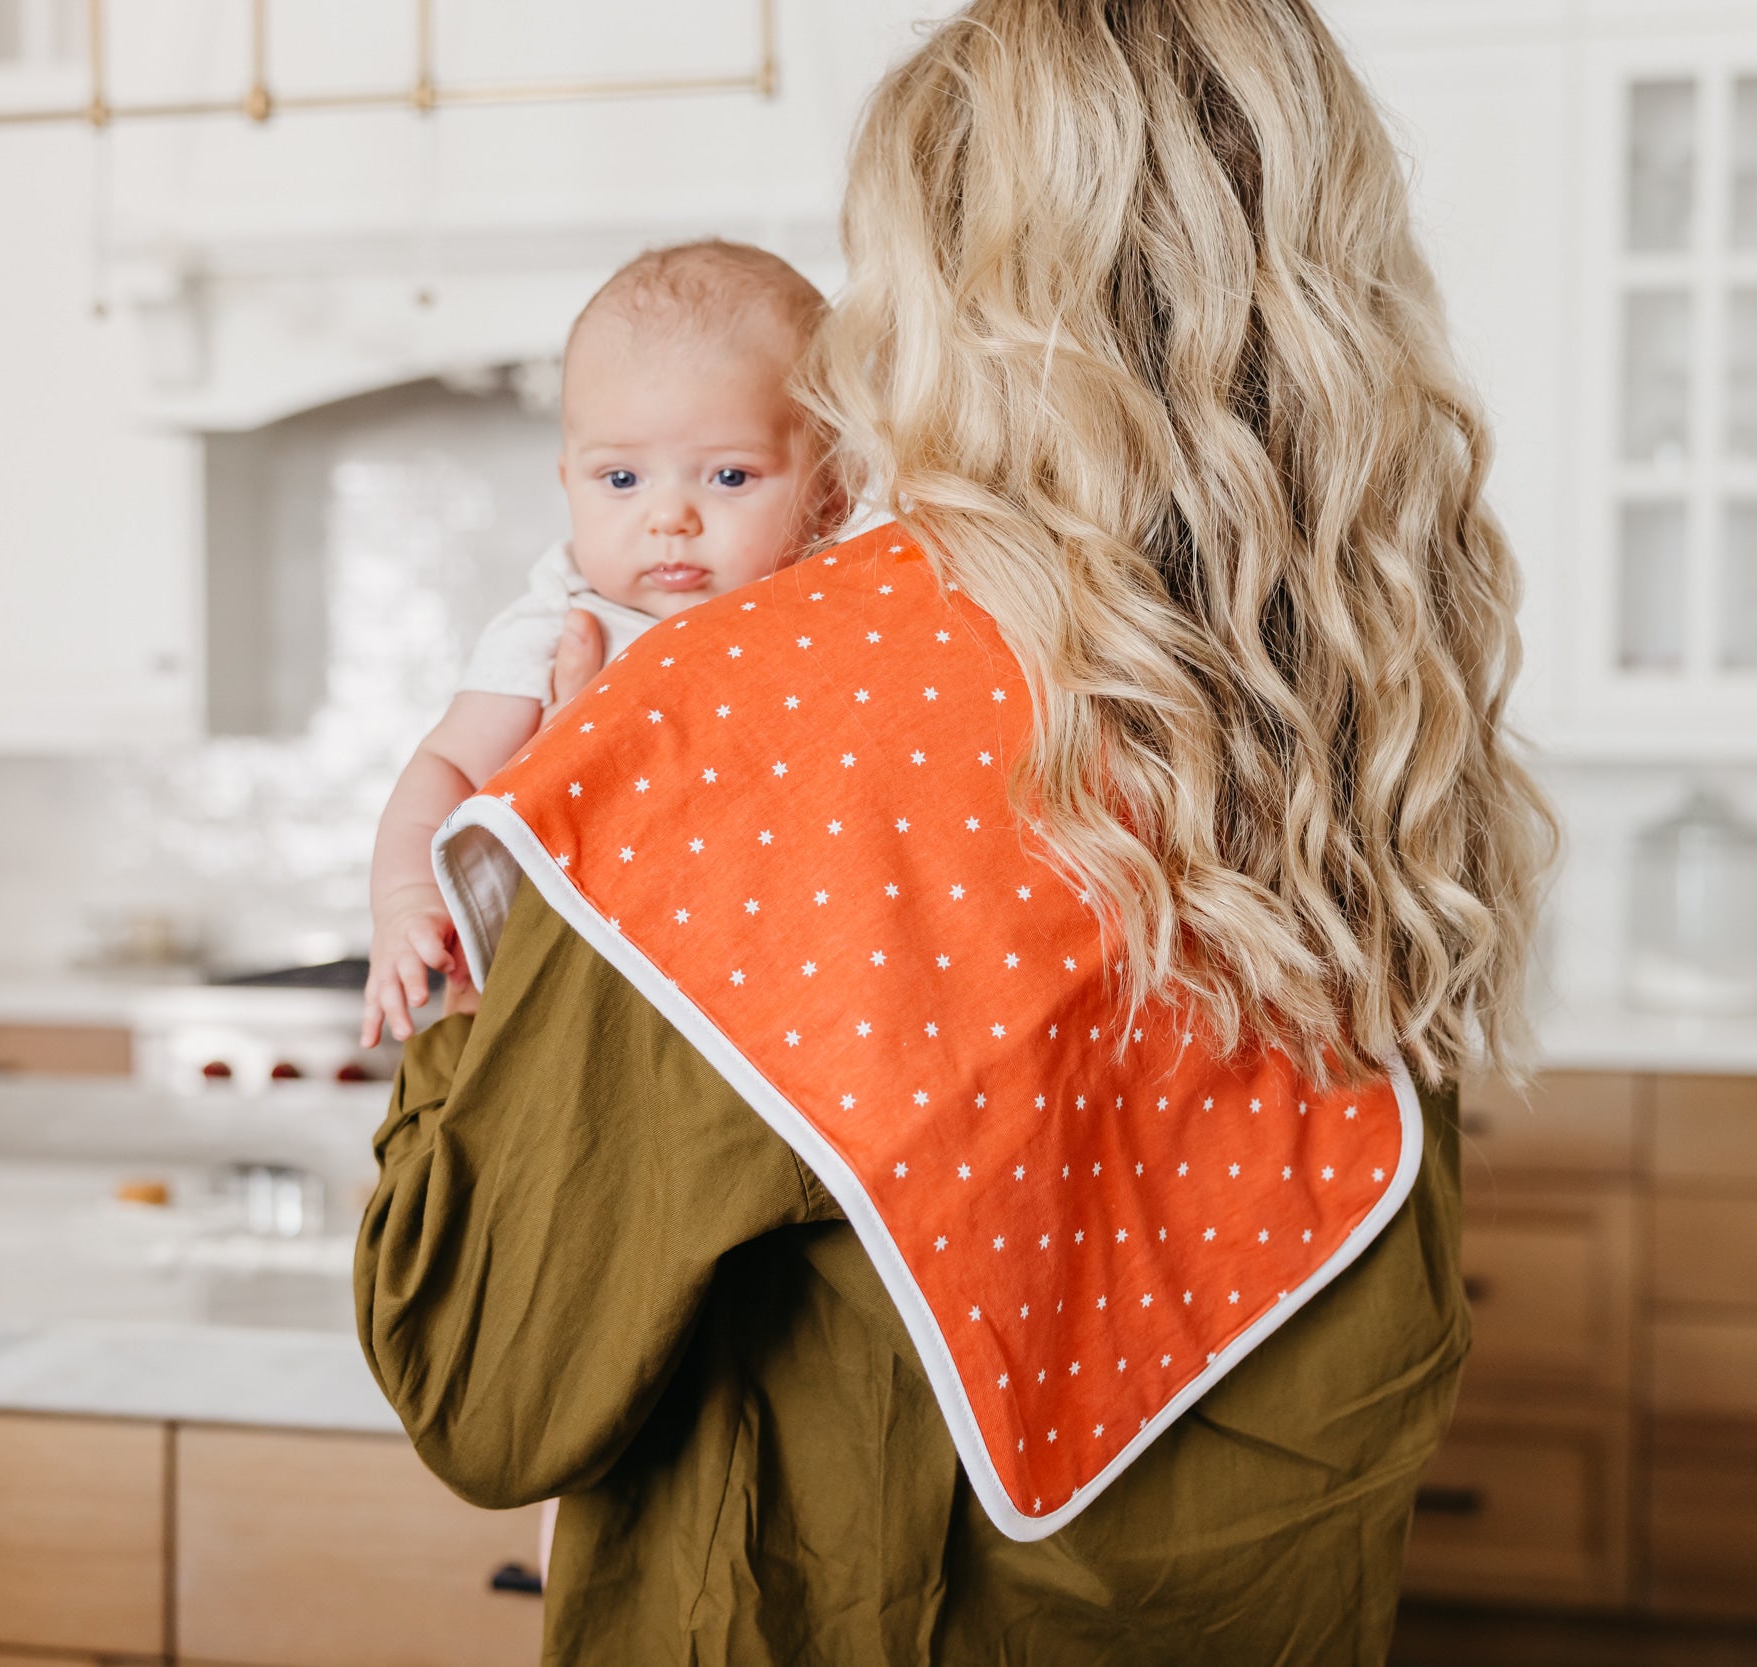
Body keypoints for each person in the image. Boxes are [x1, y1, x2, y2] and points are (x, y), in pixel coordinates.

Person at [354, 3, 1556, 1662]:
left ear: (926, 310)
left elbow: (481, 1372)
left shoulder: (756, 712)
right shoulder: (1357, 710)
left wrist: (522, 871)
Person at [358, 240, 836, 1049]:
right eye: (622, 480)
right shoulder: (562, 623)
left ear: (831, 490)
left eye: (729, 476)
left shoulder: (832, 616)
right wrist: (408, 899)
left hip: (766, 1005)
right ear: (568, 482)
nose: (669, 517)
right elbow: (448, 766)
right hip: (582, 998)